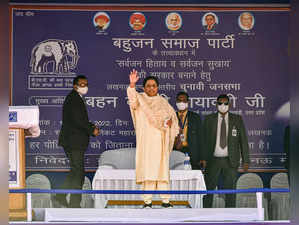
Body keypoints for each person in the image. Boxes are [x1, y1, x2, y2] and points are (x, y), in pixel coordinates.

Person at [127, 69, 179, 208]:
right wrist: (132, 85)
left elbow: (172, 118)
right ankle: (147, 201)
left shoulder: (163, 102)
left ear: (157, 87)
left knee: (162, 172)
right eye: (148, 86)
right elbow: (132, 99)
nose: (151, 88)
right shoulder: (140, 99)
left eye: (154, 86)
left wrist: (169, 123)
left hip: (161, 143)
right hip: (147, 143)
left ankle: (165, 201)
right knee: (148, 171)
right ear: (144, 88)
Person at [54, 75, 100, 208]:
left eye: (86, 84)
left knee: (75, 171)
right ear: (75, 86)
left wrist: (91, 127)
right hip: (73, 141)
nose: (84, 86)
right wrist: (92, 129)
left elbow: (80, 120)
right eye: (81, 84)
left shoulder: (76, 98)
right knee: (78, 173)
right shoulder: (73, 99)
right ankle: (74, 204)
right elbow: (78, 120)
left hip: (73, 141)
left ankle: (60, 195)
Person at [202, 94, 249, 208]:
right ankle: (204, 216)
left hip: (230, 160)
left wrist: (246, 160)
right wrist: (203, 158)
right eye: (220, 103)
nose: (223, 105)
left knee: (230, 191)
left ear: (230, 105)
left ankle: (231, 216)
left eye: (225, 103)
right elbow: (203, 140)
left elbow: (243, 140)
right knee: (209, 190)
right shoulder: (209, 119)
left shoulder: (237, 119)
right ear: (216, 104)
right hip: (213, 160)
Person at [174, 91, 206, 170]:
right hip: (176, 151)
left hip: (192, 153)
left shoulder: (195, 117)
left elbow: (201, 138)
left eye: (184, 101)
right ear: (176, 102)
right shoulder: (172, 116)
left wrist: (202, 157)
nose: (181, 103)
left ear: (188, 102)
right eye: (179, 101)